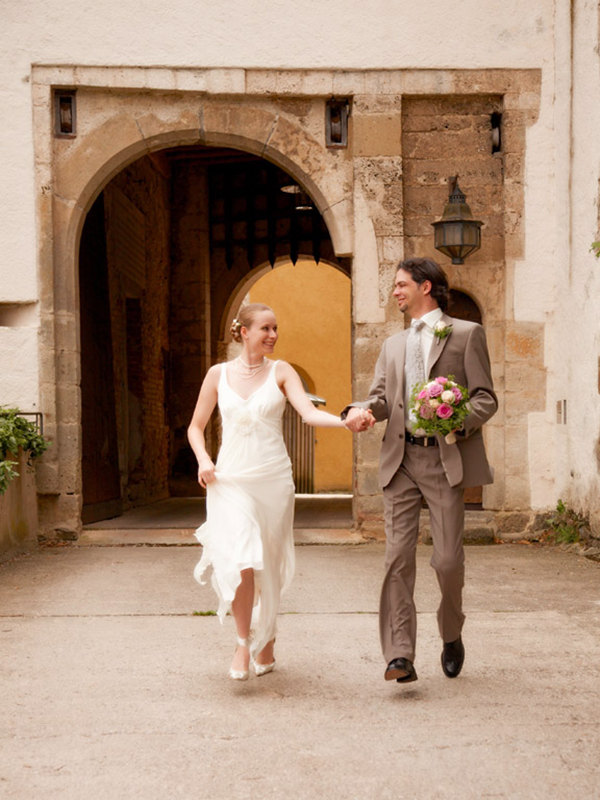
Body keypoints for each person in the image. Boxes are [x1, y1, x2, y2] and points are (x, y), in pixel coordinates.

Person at [343, 258, 497, 685]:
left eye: (401, 284)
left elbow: (486, 398)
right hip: (401, 460)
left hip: (444, 460)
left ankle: (451, 632)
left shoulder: (466, 334)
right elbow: (380, 398)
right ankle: (400, 656)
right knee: (396, 558)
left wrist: (453, 415)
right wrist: (361, 411)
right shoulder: (392, 345)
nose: (395, 291)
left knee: (447, 561)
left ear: (425, 287)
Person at [188, 303, 348, 681]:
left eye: (275, 328)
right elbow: (195, 426)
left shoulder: (282, 371)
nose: (273, 335)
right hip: (230, 480)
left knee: (268, 565)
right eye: (265, 328)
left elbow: (309, 414)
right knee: (242, 561)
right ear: (243, 332)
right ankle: (243, 642)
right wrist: (202, 459)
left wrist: (345, 422)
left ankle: (269, 636)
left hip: (273, 480)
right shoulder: (217, 374)